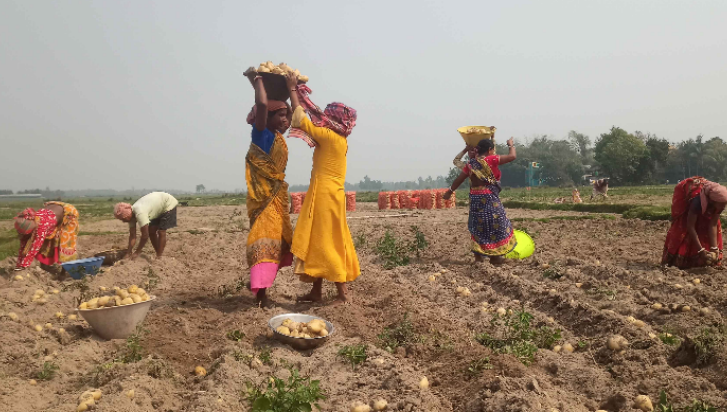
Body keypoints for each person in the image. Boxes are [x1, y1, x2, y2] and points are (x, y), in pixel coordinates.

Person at [285, 72, 360, 305]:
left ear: (333, 119)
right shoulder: (339, 139)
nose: (323, 119)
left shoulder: (329, 137)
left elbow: (301, 120)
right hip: (330, 194)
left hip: (325, 195)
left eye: (327, 116)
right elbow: (310, 118)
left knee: (328, 240)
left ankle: (342, 293)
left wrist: (291, 90)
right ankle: (316, 292)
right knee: (321, 239)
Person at [241, 70, 294, 307]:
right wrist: (258, 81)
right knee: (263, 240)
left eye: (287, 115)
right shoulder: (261, 135)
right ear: (267, 118)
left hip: (275, 199)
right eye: (280, 115)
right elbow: (261, 104)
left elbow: (295, 115)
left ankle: (263, 291)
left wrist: (293, 88)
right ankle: (260, 294)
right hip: (264, 201)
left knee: (277, 242)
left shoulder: (279, 138)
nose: (285, 120)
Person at [444, 138, 517, 264]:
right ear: (490, 150)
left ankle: (478, 257)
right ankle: (495, 256)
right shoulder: (491, 159)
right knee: (498, 223)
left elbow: (459, 179)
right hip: (489, 197)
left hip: (475, 198)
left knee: (478, 226)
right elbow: (512, 156)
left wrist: (450, 191)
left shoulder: (471, 164)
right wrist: (511, 145)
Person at [662, 177, 727, 269]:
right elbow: (690, 226)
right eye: (722, 204)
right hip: (687, 202)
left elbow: (713, 224)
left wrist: (714, 248)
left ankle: (707, 258)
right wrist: (700, 250)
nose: (724, 206)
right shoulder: (696, 202)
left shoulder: (720, 204)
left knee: (709, 225)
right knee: (683, 226)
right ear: (712, 201)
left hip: (707, 203)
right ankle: (682, 260)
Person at [113, 192, 178, 260]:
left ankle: (159, 257)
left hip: (168, 203)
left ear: (127, 215)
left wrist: (137, 252)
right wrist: (129, 252)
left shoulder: (140, 212)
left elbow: (145, 235)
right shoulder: (131, 217)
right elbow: (132, 235)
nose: (123, 221)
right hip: (156, 208)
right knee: (152, 232)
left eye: (123, 219)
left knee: (161, 231)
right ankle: (158, 253)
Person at [14, 201, 79, 269]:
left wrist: (24, 265)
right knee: (45, 242)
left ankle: (65, 270)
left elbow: (35, 247)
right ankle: (45, 265)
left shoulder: (41, 225)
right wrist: (18, 265)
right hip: (53, 211)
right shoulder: (29, 222)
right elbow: (23, 245)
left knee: (65, 244)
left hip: (68, 214)